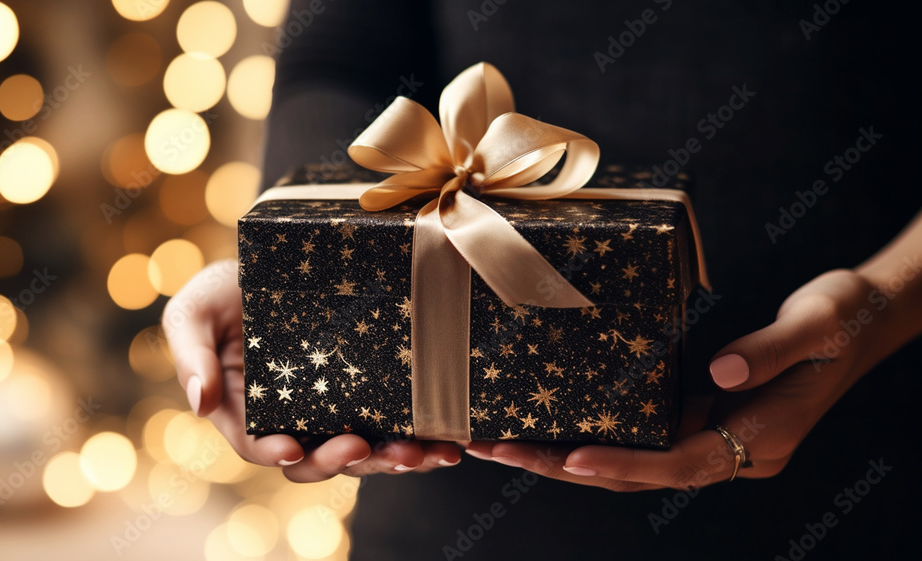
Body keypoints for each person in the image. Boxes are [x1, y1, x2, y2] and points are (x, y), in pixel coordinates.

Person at [164, 2, 921, 558]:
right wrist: (313, 263)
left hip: (847, 465)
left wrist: (882, 303)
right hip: (450, 480)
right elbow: (337, 55)